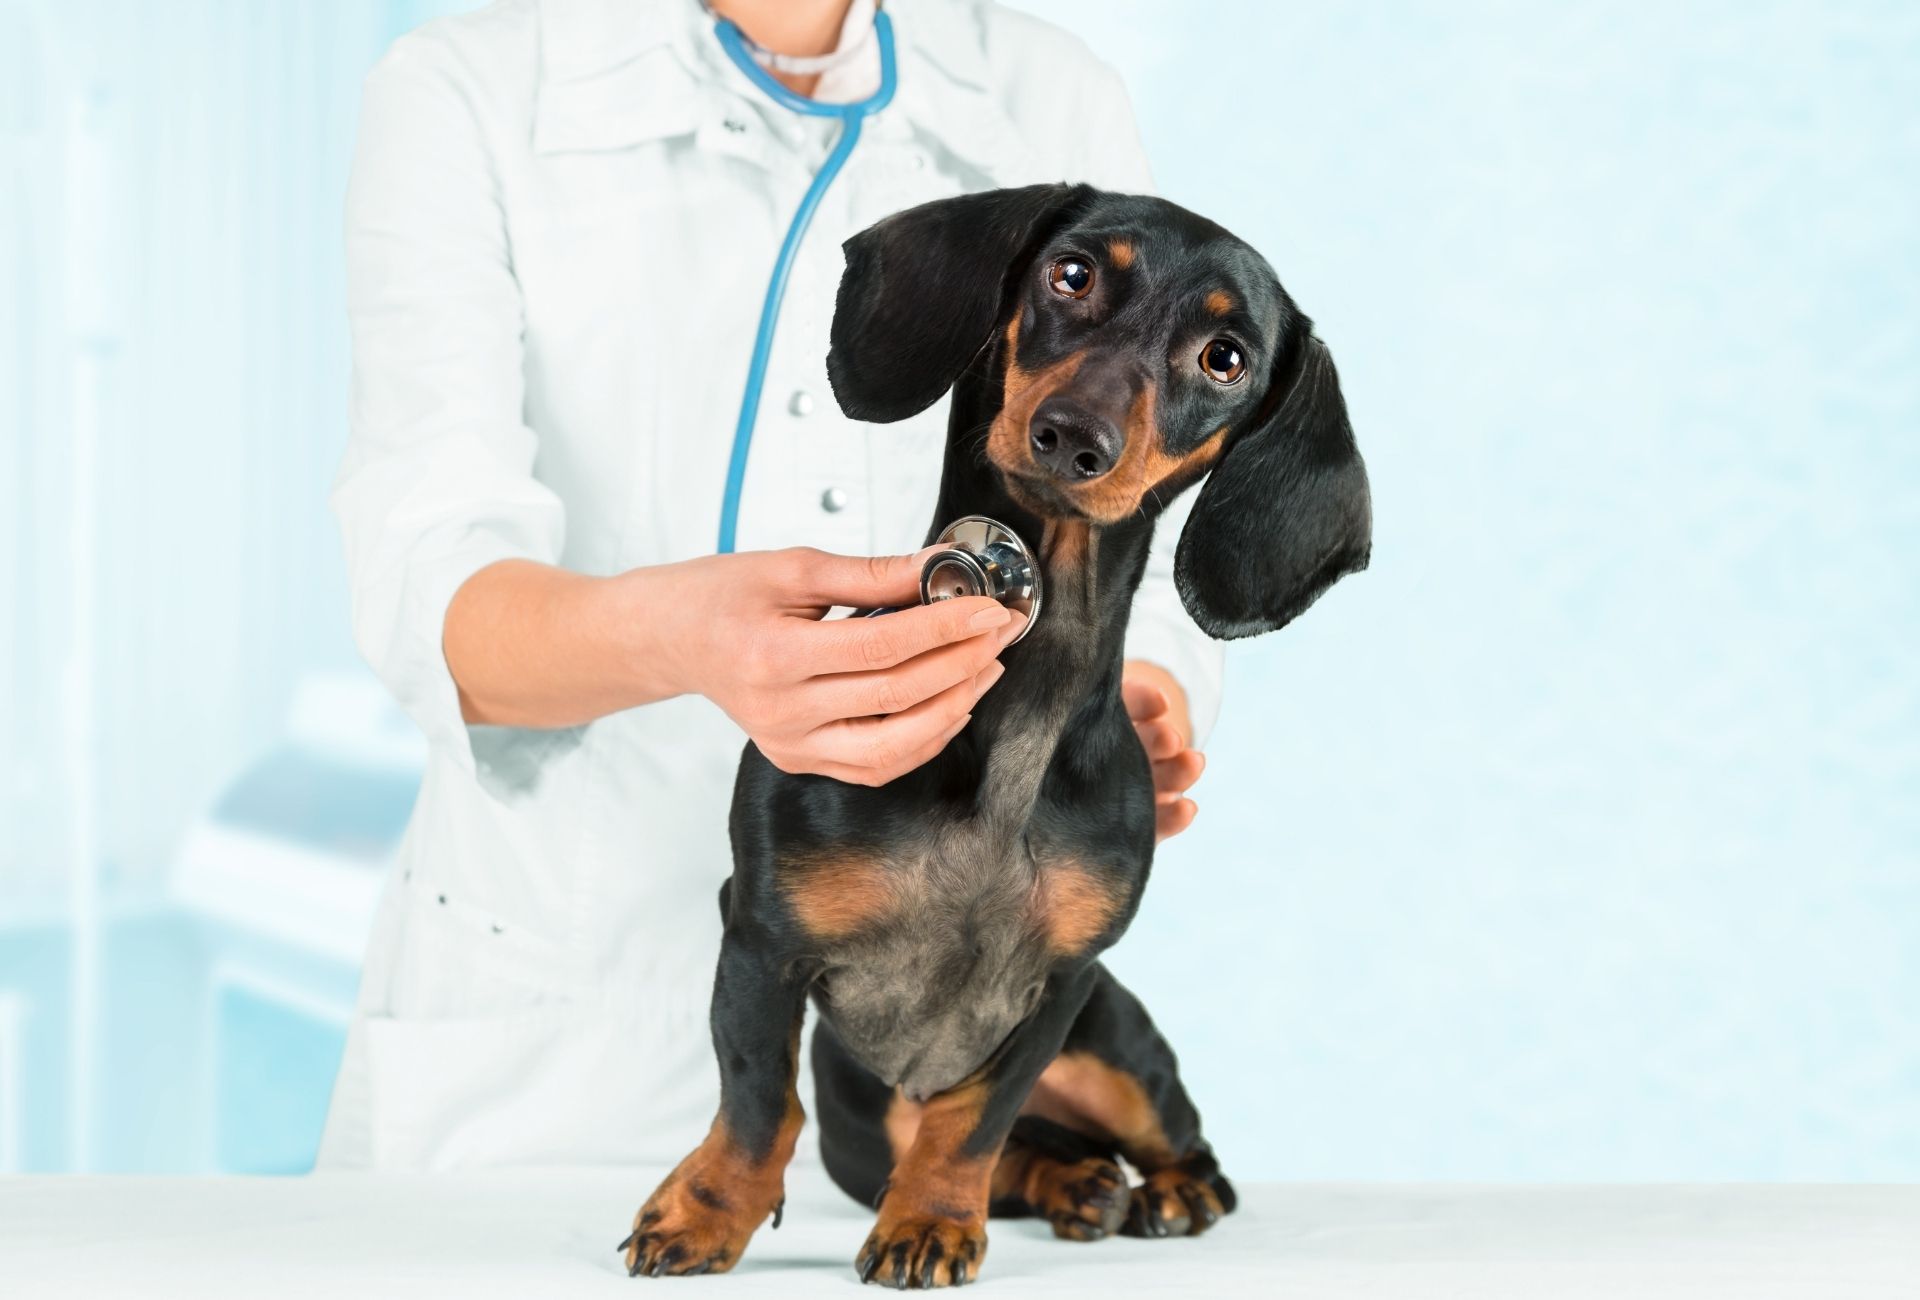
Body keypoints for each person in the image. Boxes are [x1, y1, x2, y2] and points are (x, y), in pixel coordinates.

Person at [321, 0, 1221, 1170]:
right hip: (550, 1044)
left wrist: (1136, 683)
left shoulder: (1049, 88)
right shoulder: (465, 86)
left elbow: (1130, 480)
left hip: (920, 1036)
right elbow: (430, 586)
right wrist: (683, 641)